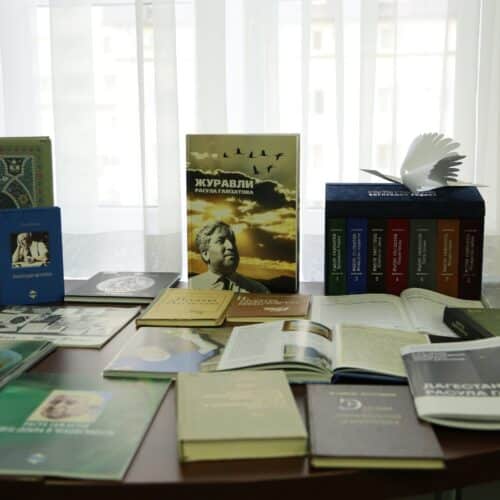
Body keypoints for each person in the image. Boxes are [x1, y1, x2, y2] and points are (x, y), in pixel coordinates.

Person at [189, 221, 269, 293]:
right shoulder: (190, 288)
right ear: (206, 254)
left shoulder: (259, 291)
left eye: (232, 241)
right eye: (220, 241)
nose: (231, 246)